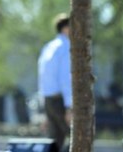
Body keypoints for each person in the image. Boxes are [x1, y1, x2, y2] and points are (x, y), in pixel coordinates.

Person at [38, 14, 72, 151]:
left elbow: (42, 77)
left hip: (48, 100)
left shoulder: (48, 47)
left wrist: (44, 109)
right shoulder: (66, 47)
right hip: (60, 100)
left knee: (54, 142)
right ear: (66, 28)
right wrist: (70, 107)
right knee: (78, 136)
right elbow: (65, 78)